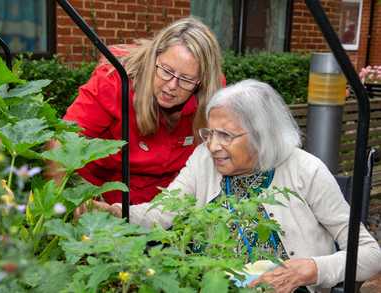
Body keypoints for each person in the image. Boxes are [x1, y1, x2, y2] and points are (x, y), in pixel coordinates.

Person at [96, 79, 381, 292]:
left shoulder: (307, 171)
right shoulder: (202, 160)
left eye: (226, 135)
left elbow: (370, 255)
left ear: (261, 136)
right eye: (209, 133)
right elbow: (162, 213)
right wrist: (113, 213)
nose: (213, 145)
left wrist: (312, 269)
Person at [61, 17, 223, 205]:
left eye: (186, 79)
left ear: (202, 82)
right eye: (166, 70)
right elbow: (63, 141)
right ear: (154, 57)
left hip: (169, 205)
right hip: (103, 199)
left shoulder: (211, 95)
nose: (172, 85)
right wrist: (70, 203)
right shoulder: (114, 80)